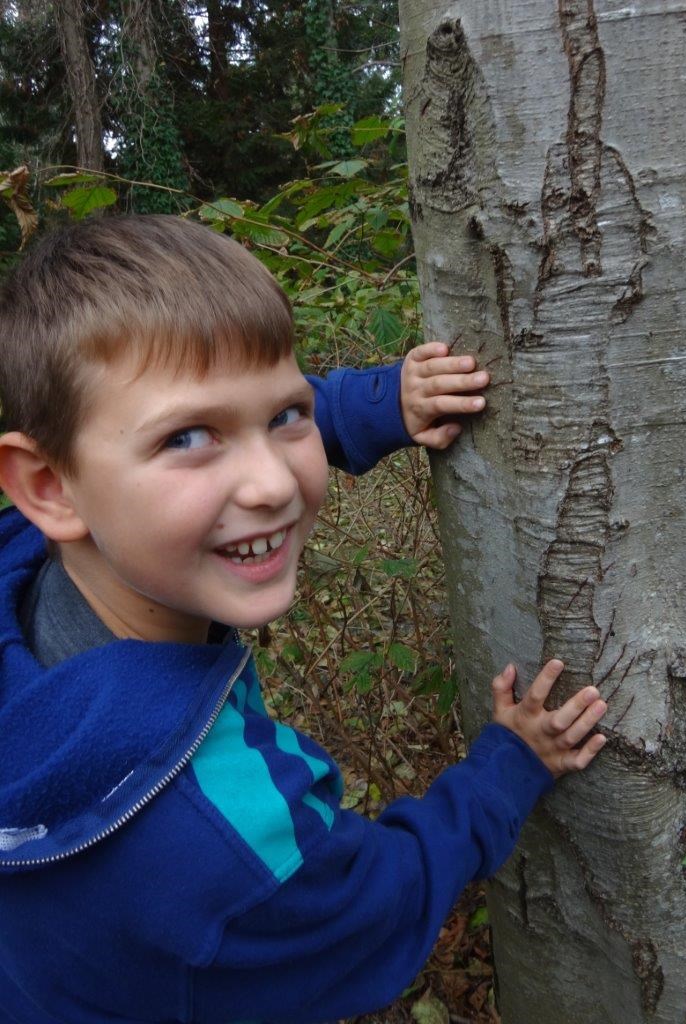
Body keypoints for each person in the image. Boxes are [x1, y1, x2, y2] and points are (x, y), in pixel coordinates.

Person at [0, 215, 606, 1024]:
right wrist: (506, 768)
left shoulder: (23, 547)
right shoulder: (223, 845)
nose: (273, 485)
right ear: (50, 487)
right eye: (188, 437)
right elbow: (376, 901)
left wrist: (374, 404)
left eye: (284, 417)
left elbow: (253, 404)